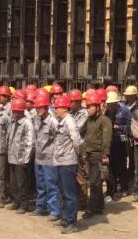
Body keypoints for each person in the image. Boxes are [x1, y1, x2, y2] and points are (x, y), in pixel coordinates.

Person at [53, 94, 83, 234]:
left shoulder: (70, 122)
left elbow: (77, 141)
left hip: (68, 162)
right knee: (63, 192)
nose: (55, 110)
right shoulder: (62, 121)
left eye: (57, 108)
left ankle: (72, 223)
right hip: (60, 161)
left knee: (69, 194)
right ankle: (65, 218)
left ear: (64, 108)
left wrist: (76, 155)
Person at [81, 91, 112, 219]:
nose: (88, 109)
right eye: (87, 107)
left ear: (98, 107)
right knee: (96, 182)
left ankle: (91, 208)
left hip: (98, 155)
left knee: (94, 183)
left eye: (90, 107)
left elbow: (106, 139)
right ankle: (99, 206)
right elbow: (82, 132)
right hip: (89, 154)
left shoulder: (105, 121)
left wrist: (105, 155)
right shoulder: (89, 120)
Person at [31, 92, 60, 220]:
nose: (38, 110)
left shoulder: (53, 121)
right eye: (37, 107)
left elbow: (58, 140)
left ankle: (55, 211)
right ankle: (41, 207)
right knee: (40, 185)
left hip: (49, 159)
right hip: (38, 158)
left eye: (40, 107)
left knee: (51, 185)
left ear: (47, 107)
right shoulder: (36, 119)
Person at [6, 98, 35, 213]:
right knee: (13, 182)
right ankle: (16, 201)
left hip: (21, 159)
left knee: (22, 183)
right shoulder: (13, 122)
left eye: (16, 111)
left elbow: (30, 142)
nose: (14, 113)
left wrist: (26, 159)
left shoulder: (27, 123)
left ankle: (24, 204)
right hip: (12, 157)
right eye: (13, 111)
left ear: (22, 111)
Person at [105, 90, 131, 201]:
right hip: (110, 142)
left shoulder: (125, 110)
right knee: (110, 167)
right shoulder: (106, 111)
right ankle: (112, 189)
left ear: (116, 102)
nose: (110, 106)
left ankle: (124, 188)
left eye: (112, 104)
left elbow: (129, 127)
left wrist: (119, 127)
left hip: (121, 141)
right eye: (109, 104)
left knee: (121, 166)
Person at [71, 88, 90, 210]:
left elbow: (76, 128)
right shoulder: (71, 113)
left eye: (72, 102)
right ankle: (76, 199)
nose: (69, 104)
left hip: (81, 148)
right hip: (72, 147)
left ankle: (83, 201)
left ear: (78, 102)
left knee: (80, 175)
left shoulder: (84, 114)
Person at [123, 85, 138, 187]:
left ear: (134, 95)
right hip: (125, 132)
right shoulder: (124, 104)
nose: (126, 96)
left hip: (133, 133)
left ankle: (132, 174)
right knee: (125, 153)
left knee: (133, 156)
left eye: (129, 95)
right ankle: (125, 174)